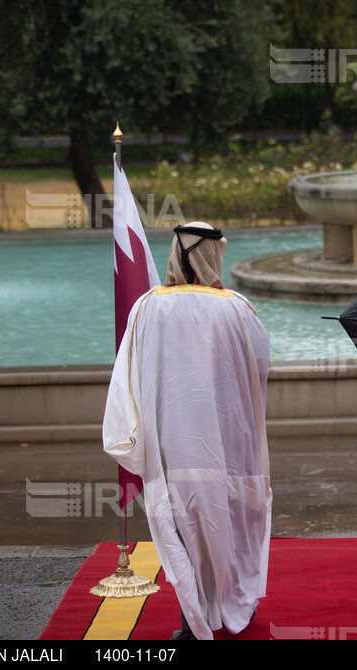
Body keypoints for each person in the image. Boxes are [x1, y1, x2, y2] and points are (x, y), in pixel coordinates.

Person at [103, 222, 272, 639]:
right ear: (211, 256)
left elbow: (127, 374)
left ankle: (192, 621)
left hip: (170, 447)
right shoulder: (236, 307)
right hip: (226, 446)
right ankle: (232, 606)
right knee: (228, 523)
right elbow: (261, 366)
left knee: (180, 530)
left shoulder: (146, 307)